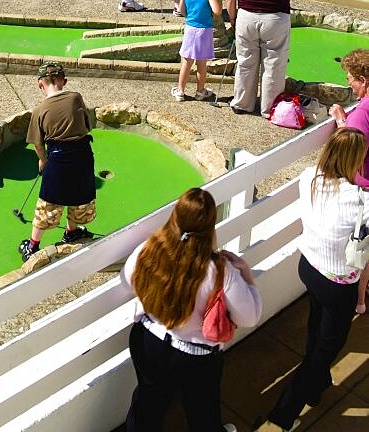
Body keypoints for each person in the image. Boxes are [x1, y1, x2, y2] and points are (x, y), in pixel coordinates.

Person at [122, 187, 261, 432]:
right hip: (195, 358)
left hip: (148, 340)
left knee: (146, 404)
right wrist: (247, 275)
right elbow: (249, 317)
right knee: (202, 412)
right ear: (210, 226)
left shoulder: (150, 248)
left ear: (175, 216)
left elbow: (127, 280)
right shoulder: (219, 270)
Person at [263, 129, 368, 431]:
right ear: (354, 159)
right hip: (338, 283)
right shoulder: (359, 201)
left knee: (317, 324)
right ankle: (283, 414)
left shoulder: (308, 177)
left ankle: (317, 385)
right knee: (326, 350)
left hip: (308, 268)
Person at [18, 63, 96, 262]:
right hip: (83, 156)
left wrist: (43, 161)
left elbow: (38, 144)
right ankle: (71, 232)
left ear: (40, 84)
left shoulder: (39, 110)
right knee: (80, 197)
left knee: (48, 202)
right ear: (64, 81)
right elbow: (88, 126)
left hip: (58, 160)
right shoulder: (75, 98)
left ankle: (33, 245)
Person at [225, 0, 300, 117]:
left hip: (247, 17)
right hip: (275, 19)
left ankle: (242, 103)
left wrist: (233, 19)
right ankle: (269, 108)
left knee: (245, 62)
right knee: (274, 64)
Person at [172, 0, 223, 102]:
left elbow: (181, 11)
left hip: (190, 28)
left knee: (186, 62)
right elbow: (217, 11)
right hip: (204, 30)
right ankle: (200, 91)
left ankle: (180, 91)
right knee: (201, 64)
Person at [329, 48, 369, 188]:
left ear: (363, 81)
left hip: (362, 185)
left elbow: (352, 155)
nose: (348, 84)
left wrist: (341, 121)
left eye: (350, 79)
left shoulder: (363, 112)